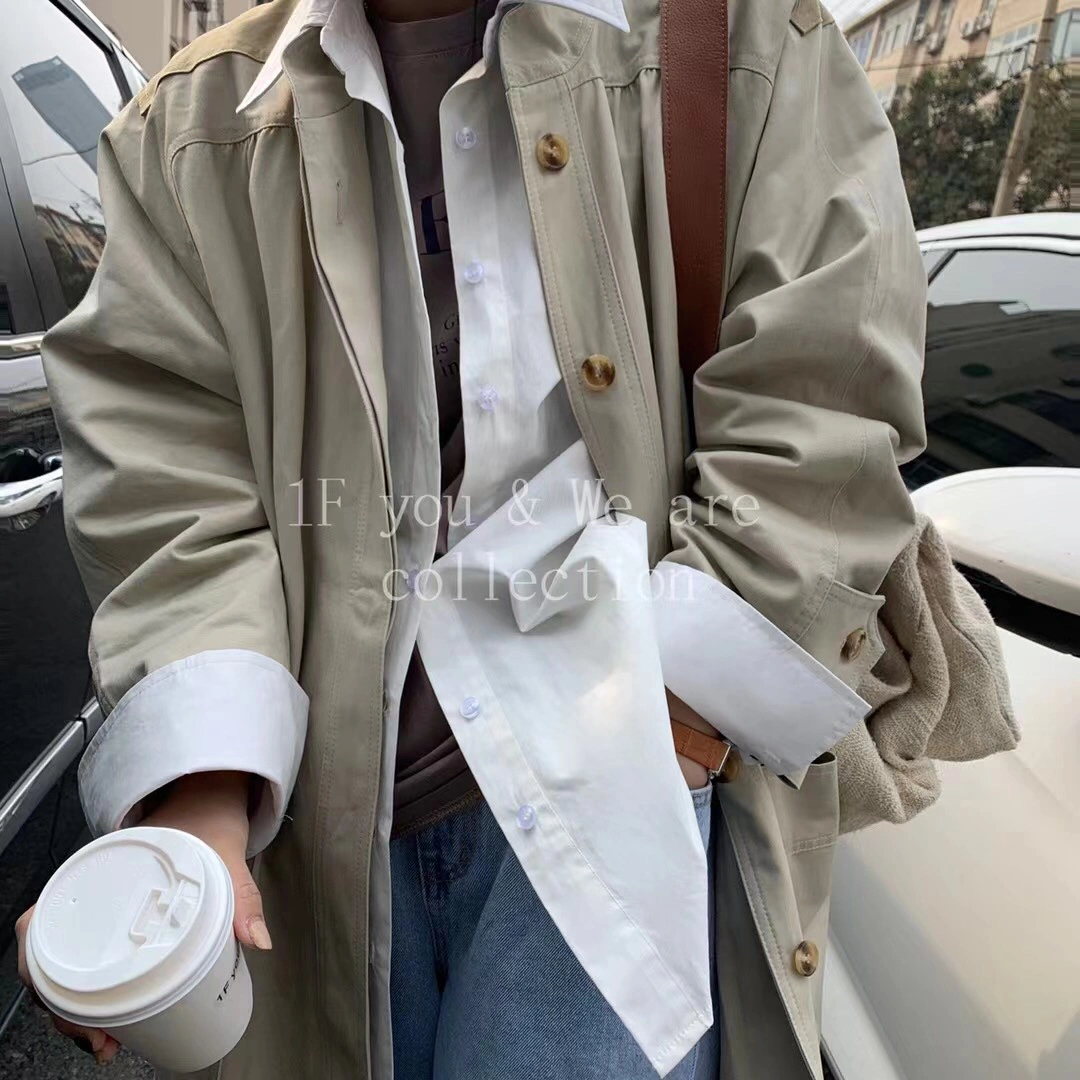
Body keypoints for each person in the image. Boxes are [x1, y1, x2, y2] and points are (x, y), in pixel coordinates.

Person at [17, 0, 926, 1076]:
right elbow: (169, 476)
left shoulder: (745, 40)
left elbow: (822, 395)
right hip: (310, 820)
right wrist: (201, 790)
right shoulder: (189, 126)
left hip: (622, 784)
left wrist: (676, 731)